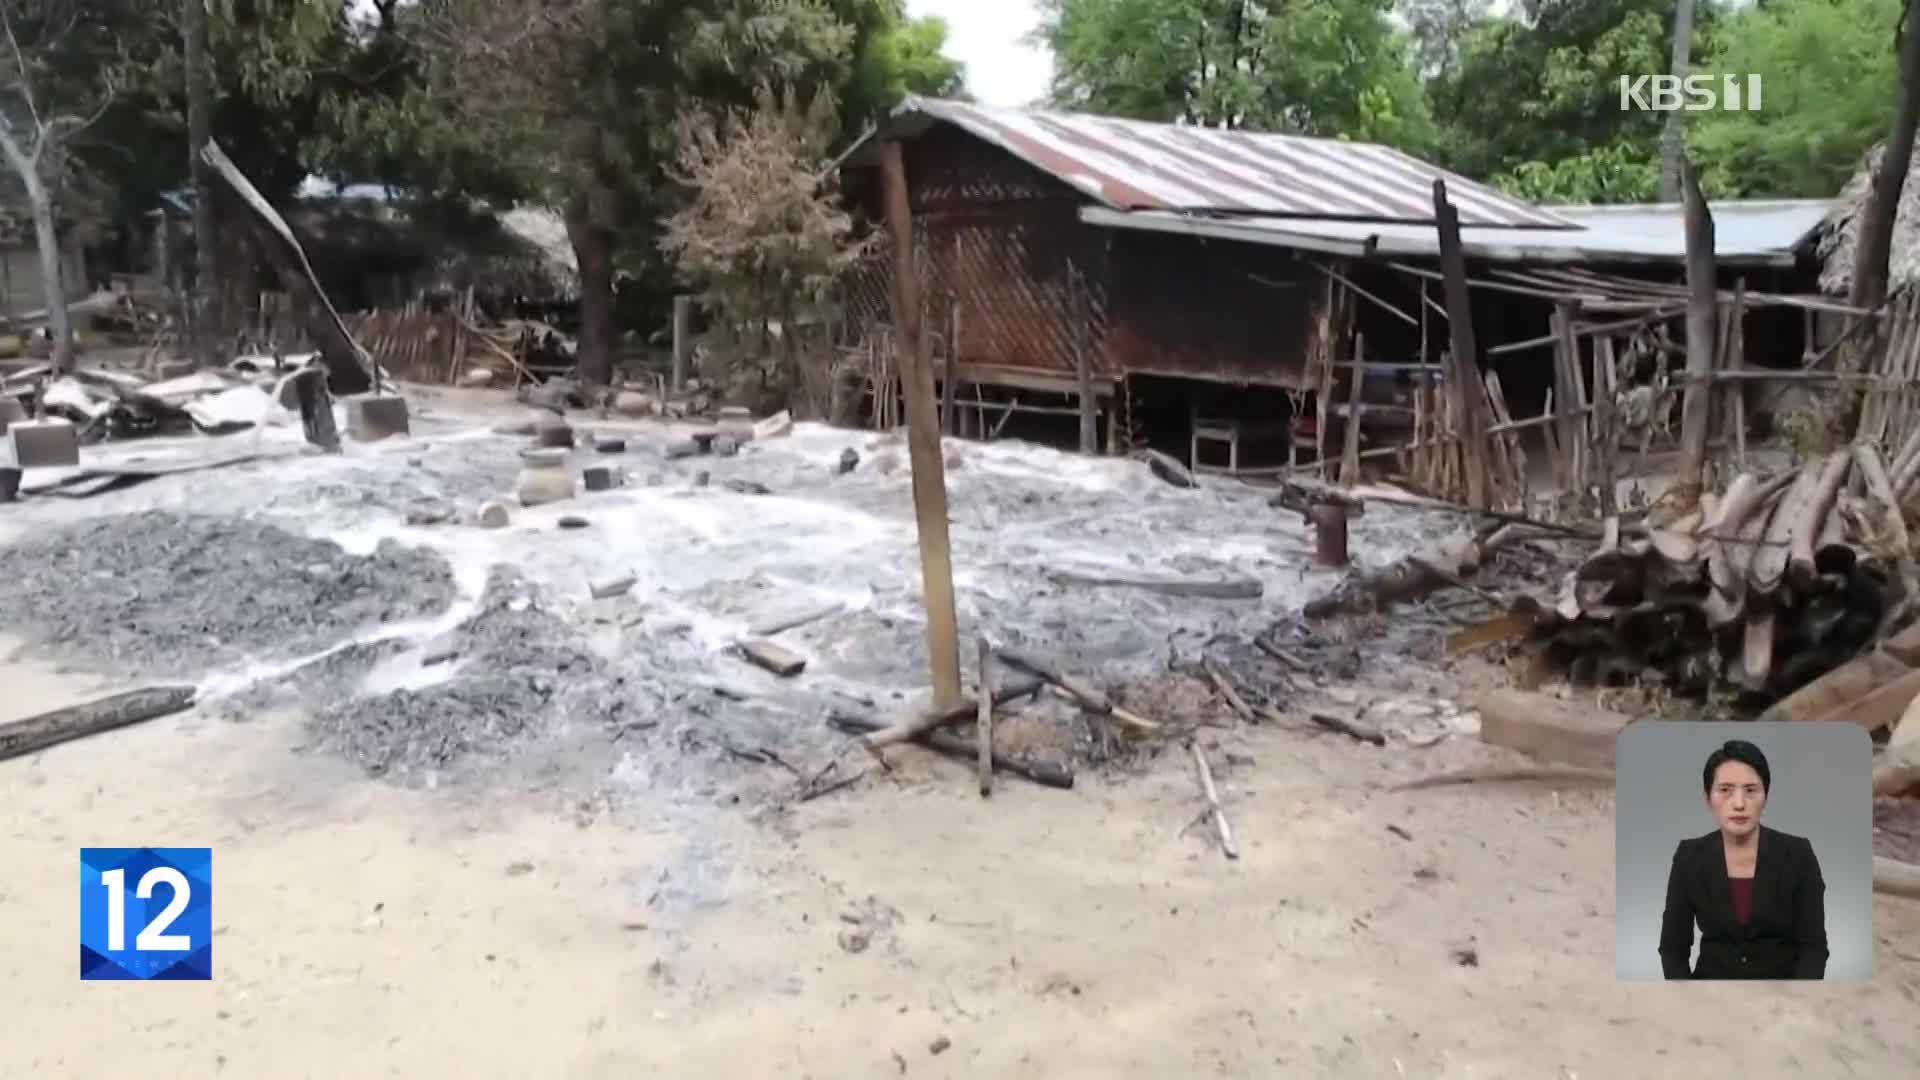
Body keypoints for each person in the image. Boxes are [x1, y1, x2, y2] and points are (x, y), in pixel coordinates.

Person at [1658, 739, 1827, 979]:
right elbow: (1673, 949)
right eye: (1725, 790)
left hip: (1783, 998)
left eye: (1750, 791)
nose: (1738, 804)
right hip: (1710, 994)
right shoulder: (1689, 857)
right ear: (1708, 799)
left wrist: (1797, 1003)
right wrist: (1688, 1003)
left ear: (1765, 797)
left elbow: (1814, 948)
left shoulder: (1798, 854)